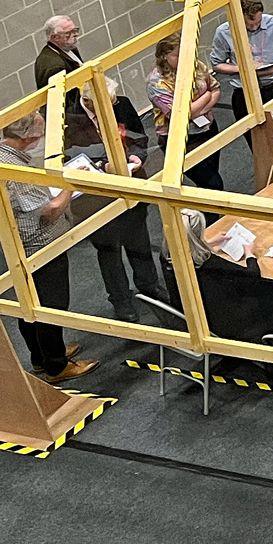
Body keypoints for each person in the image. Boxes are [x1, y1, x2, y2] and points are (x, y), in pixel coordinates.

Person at [1, 113, 98, 382]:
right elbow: (50, 212)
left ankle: (41, 356)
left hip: (22, 245)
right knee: (50, 305)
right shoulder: (14, 169)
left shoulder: (5, 156)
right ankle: (56, 365)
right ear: (28, 137)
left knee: (29, 302)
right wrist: (71, 184)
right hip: (40, 246)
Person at [65, 78, 166, 321]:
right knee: (109, 251)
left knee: (139, 238)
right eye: (103, 105)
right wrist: (103, 166)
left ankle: (149, 285)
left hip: (129, 184)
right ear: (88, 100)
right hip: (96, 198)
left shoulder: (120, 103)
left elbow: (138, 136)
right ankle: (121, 301)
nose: (110, 109)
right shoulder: (68, 119)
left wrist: (136, 157)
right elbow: (70, 155)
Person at [161, 209, 273, 342]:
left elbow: (188, 248)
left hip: (192, 315)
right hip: (226, 324)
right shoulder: (212, 266)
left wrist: (208, 244)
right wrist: (250, 255)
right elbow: (251, 277)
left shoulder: (167, 258)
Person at [211, 0, 273, 168]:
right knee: (258, 145)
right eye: (248, 25)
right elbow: (216, 63)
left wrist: (259, 71)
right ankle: (272, 181)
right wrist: (243, 69)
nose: (253, 28)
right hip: (244, 93)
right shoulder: (224, 32)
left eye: (257, 23)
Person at [148, 34, 225, 202]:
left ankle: (211, 219)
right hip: (180, 139)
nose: (184, 58)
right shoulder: (156, 83)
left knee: (211, 179)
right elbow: (179, 114)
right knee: (212, 184)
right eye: (177, 55)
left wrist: (198, 109)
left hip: (207, 128)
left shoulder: (196, 65)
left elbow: (216, 88)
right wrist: (205, 98)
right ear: (164, 56)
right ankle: (211, 222)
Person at [34, 16, 83, 111]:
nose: (75, 35)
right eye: (68, 33)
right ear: (54, 37)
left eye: (75, 30)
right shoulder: (54, 67)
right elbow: (63, 103)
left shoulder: (70, 48)